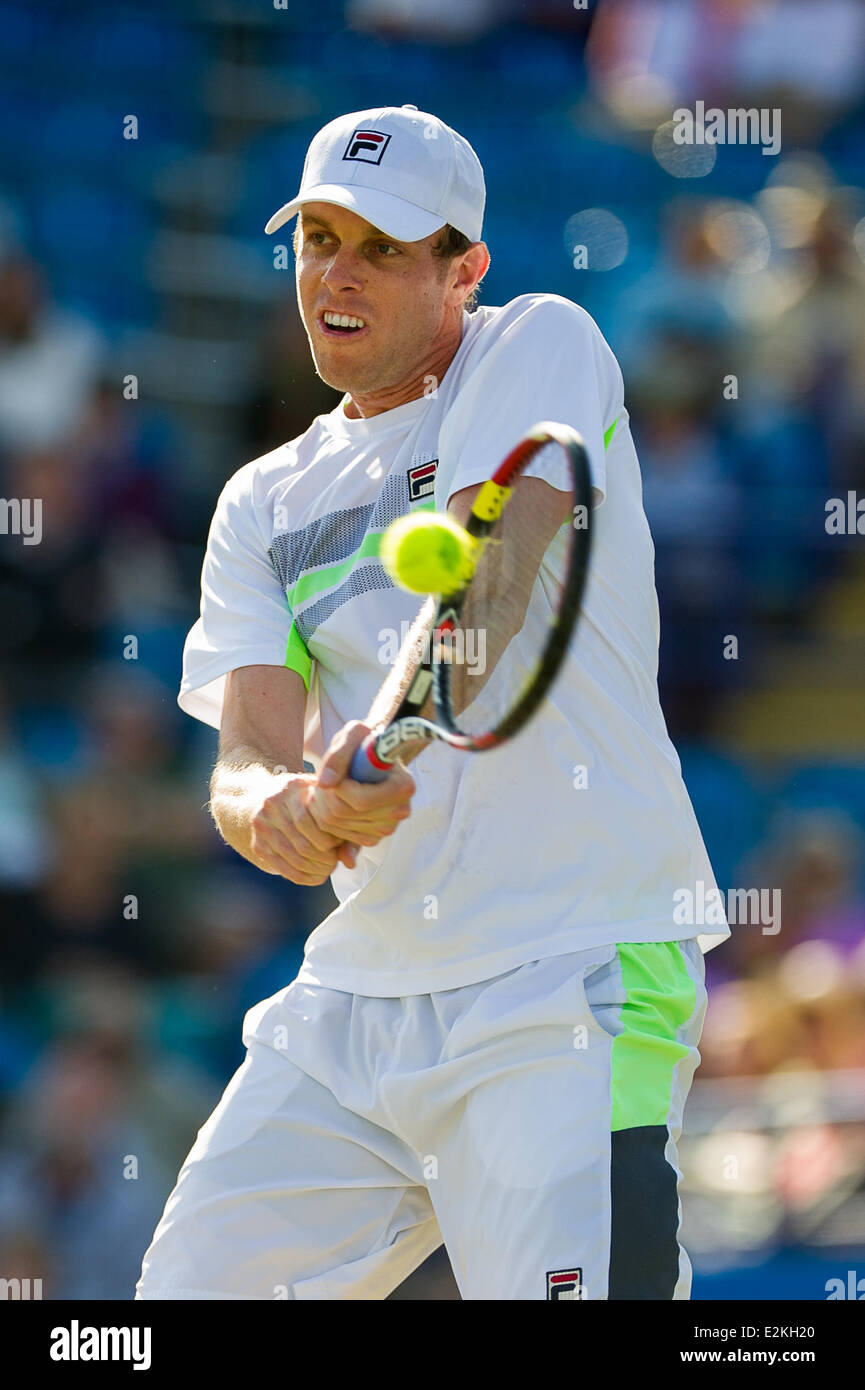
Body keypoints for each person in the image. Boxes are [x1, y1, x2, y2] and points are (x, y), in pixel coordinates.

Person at [136, 104, 728, 1301]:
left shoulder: (541, 344)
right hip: (356, 999)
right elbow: (247, 750)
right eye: (317, 240)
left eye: (383, 248)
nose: (335, 275)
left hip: (571, 972)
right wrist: (281, 814)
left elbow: (492, 571)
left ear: (467, 270)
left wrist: (390, 726)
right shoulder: (258, 501)